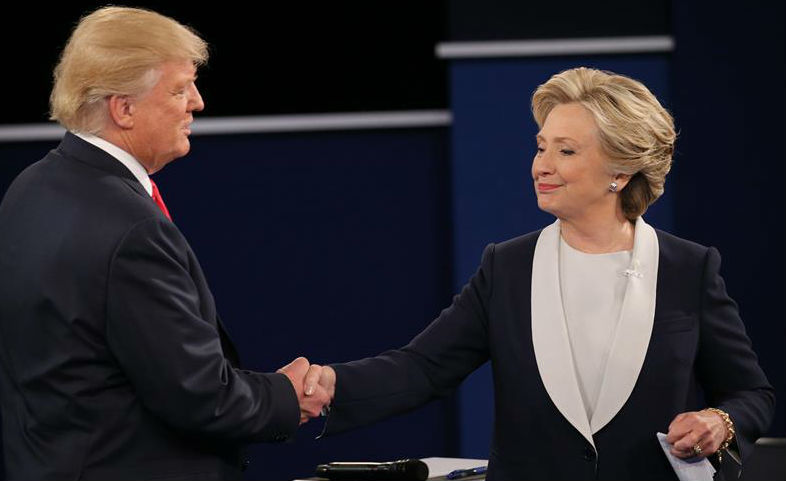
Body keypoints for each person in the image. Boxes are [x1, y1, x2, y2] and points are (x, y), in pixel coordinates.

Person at [305, 67, 775, 480]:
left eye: (565, 151)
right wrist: (329, 385)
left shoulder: (688, 268)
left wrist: (721, 421)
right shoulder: (507, 267)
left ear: (621, 170)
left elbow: (750, 393)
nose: (541, 166)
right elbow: (423, 368)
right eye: (540, 147)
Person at [0, 7, 328, 480]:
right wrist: (286, 396)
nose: (197, 102)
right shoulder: (130, 227)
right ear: (124, 108)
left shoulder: (29, 189)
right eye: (179, 89)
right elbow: (200, 397)